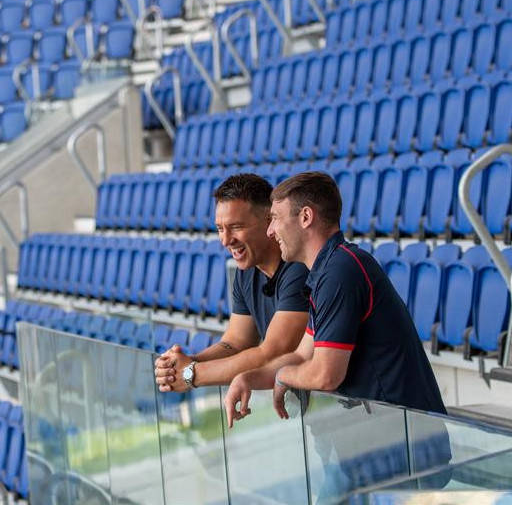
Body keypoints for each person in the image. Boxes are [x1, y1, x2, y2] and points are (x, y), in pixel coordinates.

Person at [224, 171, 447, 425]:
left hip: (409, 442)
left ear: (306, 217)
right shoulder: (327, 271)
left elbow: (325, 375)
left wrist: (283, 376)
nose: (271, 231)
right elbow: (301, 356)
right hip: (380, 436)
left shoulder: (341, 271)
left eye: (275, 219)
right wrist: (249, 378)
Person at [154, 173, 309, 392]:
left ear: (269, 222)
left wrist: (191, 374)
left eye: (236, 227)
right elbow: (236, 342)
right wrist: (185, 363)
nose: (226, 240)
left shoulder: (300, 268)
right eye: (220, 228)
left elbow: (273, 352)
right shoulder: (246, 270)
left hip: (353, 406)